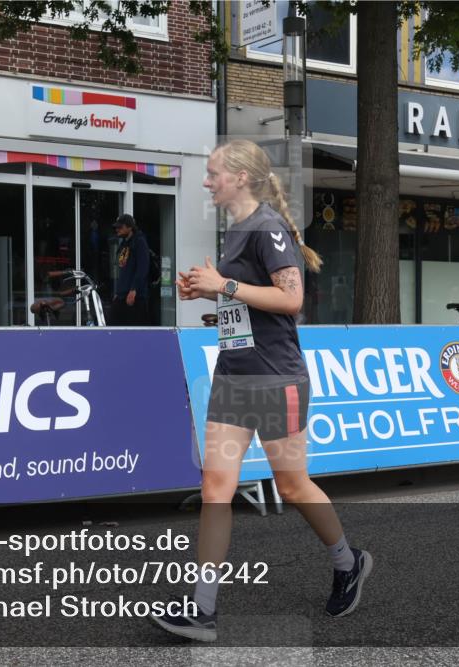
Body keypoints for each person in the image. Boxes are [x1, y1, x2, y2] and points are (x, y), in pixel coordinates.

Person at [152, 139, 371, 642]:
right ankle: (202, 609)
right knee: (216, 487)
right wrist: (209, 293)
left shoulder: (266, 226)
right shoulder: (236, 230)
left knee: (292, 486)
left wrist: (224, 286)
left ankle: (348, 561)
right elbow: (249, 305)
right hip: (234, 375)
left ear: (241, 177)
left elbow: (291, 299)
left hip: (275, 379)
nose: (207, 181)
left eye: (214, 173)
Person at [108, 213, 151, 326]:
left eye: (120, 227)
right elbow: (124, 269)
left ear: (130, 227)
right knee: (112, 325)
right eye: (116, 227)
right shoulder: (124, 243)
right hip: (122, 295)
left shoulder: (139, 241)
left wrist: (134, 289)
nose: (117, 229)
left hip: (135, 296)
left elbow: (143, 268)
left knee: (135, 330)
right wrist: (118, 292)